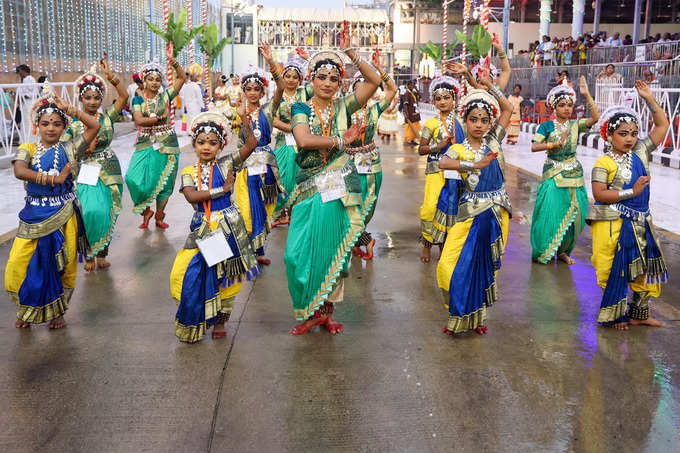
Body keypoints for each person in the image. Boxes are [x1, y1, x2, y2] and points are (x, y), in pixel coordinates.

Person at [283, 30, 381, 336]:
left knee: (332, 249)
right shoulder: (300, 108)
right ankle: (309, 305)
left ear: (340, 83)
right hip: (309, 185)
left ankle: (325, 312)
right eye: (321, 77)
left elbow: (375, 82)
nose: (327, 83)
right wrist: (341, 139)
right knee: (295, 254)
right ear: (311, 79)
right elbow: (302, 139)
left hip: (339, 185)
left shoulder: (344, 106)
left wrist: (351, 53)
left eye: (334, 78)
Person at [4, 81, 100, 330]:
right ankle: (26, 309)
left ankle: (58, 312)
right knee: (19, 264)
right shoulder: (28, 148)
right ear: (37, 125)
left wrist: (69, 108)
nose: (51, 128)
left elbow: (94, 126)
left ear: (64, 126)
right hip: (33, 214)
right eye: (45, 123)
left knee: (64, 266)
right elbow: (19, 170)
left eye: (57, 124)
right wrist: (52, 179)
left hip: (64, 214)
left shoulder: (69, 149)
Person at [170, 111, 260, 343]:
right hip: (202, 229)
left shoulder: (227, 163)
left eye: (212, 142)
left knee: (229, 279)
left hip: (229, 228)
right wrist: (222, 190)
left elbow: (251, 144)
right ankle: (195, 315)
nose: (206, 147)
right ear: (194, 144)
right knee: (183, 271)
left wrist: (245, 121)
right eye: (201, 142)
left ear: (221, 145)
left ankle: (221, 320)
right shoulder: (188, 172)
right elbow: (192, 197)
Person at [436, 69, 513, 336]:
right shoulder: (459, 148)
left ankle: (477, 317)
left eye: (483, 120)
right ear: (465, 121)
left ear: (490, 123)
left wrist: (490, 86)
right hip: (468, 214)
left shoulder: (494, 141)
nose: (479, 124)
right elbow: (443, 162)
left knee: (485, 267)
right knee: (449, 265)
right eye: (473, 119)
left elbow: (507, 108)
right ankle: (457, 310)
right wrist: (473, 164)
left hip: (496, 213)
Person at [588, 81, 669, 331]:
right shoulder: (603, 162)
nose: (630, 138)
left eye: (634, 133)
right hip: (611, 222)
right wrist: (630, 192)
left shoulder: (641, 153)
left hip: (641, 223)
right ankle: (615, 314)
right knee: (610, 267)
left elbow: (662, 125)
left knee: (645, 268)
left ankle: (639, 314)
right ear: (609, 135)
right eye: (623, 133)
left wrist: (649, 99)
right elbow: (599, 194)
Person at [61, 58, 128, 272]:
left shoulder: (108, 117)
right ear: (81, 98)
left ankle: (102, 253)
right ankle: (89, 252)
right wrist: (81, 150)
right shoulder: (73, 124)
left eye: (96, 98)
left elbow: (124, 96)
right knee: (89, 211)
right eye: (88, 97)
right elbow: (65, 148)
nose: (92, 102)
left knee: (107, 211)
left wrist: (111, 77)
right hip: (86, 171)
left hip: (109, 169)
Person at [530, 77, 599, 265]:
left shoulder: (575, 125)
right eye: (562, 105)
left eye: (570, 105)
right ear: (554, 107)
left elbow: (596, 118)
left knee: (577, 213)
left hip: (574, 172)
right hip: (553, 171)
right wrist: (553, 143)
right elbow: (534, 146)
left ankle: (563, 251)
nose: (567, 109)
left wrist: (586, 95)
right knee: (550, 211)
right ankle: (544, 249)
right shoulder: (546, 126)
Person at [233, 43, 285, 266]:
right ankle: (252, 250)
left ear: (262, 91)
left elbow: (281, 87)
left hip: (268, 170)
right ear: (243, 91)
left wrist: (271, 61)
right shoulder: (238, 112)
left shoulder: (268, 110)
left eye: (257, 89)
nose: (253, 92)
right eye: (249, 89)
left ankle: (259, 249)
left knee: (264, 212)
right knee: (250, 210)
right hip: (248, 170)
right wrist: (243, 117)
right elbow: (247, 141)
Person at [125, 53, 187, 229]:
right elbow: (138, 120)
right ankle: (146, 212)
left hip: (167, 143)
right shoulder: (137, 99)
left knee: (165, 182)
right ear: (144, 80)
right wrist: (157, 118)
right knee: (132, 178)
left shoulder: (165, 96)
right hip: (145, 142)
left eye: (157, 79)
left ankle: (159, 217)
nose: (154, 82)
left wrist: (175, 64)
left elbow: (182, 78)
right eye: (150, 79)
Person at [347, 50, 398, 260]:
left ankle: (360, 240)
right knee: (349, 208)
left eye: (367, 90)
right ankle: (364, 240)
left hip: (370, 163)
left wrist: (381, 70)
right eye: (360, 90)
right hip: (348, 162)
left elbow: (392, 89)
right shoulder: (344, 111)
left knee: (367, 207)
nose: (364, 94)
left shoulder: (375, 110)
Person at [417, 74, 465, 263]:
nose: (443, 102)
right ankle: (427, 245)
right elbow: (421, 149)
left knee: (452, 208)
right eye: (438, 98)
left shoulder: (462, 122)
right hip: (436, 171)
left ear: (454, 99)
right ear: (433, 101)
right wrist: (437, 146)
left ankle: (447, 246)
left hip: (458, 172)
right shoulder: (430, 124)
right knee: (430, 208)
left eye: (447, 97)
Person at [271, 53, 311, 228]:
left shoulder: (304, 94)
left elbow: (318, 80)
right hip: (283, 141)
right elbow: (273, 117)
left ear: (300, 79)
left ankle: (293, 214)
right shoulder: (278, 94)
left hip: (301, 143)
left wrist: (308, 60)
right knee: (281, 178)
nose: (291, 80)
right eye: (287, 76)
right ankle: (282, 213)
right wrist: (292, 128)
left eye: (295, 77)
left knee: (298, 178)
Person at [179, 63, 206, 136]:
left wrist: (185, 105)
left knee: (189, 118)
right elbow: (199, 98)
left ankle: (189, 131)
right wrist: (203, 106)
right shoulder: (196, 86)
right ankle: (194, 130)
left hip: (188, 105)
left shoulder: (187, 85)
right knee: (195, 118)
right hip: (195, 105)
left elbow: (184, 96)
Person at [15, 65, 38, 139]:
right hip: (25, 103)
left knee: (29, 121)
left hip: (29, 102)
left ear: (24, 70)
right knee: (25, 121)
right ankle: (26, 138)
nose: (19, 73)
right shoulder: (24, 79)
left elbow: (32, 92)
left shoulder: (30, 79)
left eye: (20, 71)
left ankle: (31, 139)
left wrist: (23, 96)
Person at [402, 79, 421, 145]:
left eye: (414, 85)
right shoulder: (407, 94)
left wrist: (417, 89)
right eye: (412, 85)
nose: (413, 86)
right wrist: (406, 114)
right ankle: (407, 140)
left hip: (415, 112)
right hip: (410, 113)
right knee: (409, 127)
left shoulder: (413, 93)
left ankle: (412, 139)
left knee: (415, 127)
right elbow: (405, 104)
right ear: (408, 85)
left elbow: (420, 96)